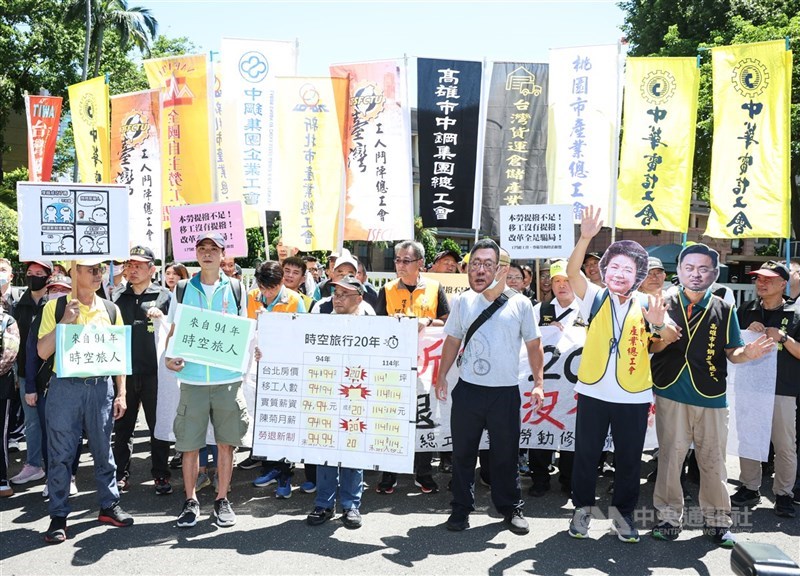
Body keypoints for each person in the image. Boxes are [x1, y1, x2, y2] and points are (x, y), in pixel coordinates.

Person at [649, 244, 774, 547]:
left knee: (713, 461)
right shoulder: (661, 303)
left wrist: (750, 352)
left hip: (711, 395)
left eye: (704, 268)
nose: (696, 273)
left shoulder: (724, 307)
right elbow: (651, 348)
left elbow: (734, 352)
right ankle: (668, 518)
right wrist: (659, 329)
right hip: (672, 390)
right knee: (670, 459)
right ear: (678, 271)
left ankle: (717, 521)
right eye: (689, 267)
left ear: (715, 274)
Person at [565, 206, 670, 544]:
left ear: (638, 273)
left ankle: (623, 517)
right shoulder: (594, 297)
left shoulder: (648, 302)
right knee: (586, 457)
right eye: (615, 267)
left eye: (629, 269)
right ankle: (582, 511)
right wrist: (585, 237)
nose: (621, 274)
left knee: (628, 462)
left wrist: (656, 324)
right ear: (605, 271)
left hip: (634, 395)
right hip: (594, 391)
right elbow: (571, 271)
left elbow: (662, 341)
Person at [433, 238, 544, 534]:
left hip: (504, 393)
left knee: (505, 455)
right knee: (463, 454)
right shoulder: (463, 301)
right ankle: (460, 509)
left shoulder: (520, 304)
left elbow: (534, 346)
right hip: (468, 391)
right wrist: (442, 375)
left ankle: (510, 508)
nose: (479, 270)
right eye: (475, 264)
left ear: (499, 269)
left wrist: (539, 384)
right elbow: (453, 340)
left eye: (487, 264)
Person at [37, 258, 133, 543]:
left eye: (100, 270)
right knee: (61, 455)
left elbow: (119, 356)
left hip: (100, 388)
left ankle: (109, 505)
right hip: (65, 388)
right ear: (74, 272)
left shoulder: (111, 308)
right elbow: (42, 351)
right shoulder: (54, 307)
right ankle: (58, 514)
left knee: (104, 450)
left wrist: (122, 392)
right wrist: (64, 321)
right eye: (91, 269)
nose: (97, 274)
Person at [165, 232, 250, 529]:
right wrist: (167, 356)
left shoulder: (238, 288)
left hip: (227, 378)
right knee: (190, 444)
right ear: (196, 253)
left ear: (223, 253)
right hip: (193, 378)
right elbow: (174, 328)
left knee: (227, 444)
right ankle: (190, 501)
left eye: (213, 248)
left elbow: (244, 331)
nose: (208, 253)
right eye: (202, 248)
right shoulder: (184, 287)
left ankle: (222, 499)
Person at [375, 240, 449, 495]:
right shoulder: (386, 290)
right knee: (392, 420)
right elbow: (377, 327)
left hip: (426, 370)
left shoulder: (435, 288)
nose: (400, 265)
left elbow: (448, 324)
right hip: (394, 369)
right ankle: (389, 473)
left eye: (406, 261)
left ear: (420, 264)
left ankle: (424, 473)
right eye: (397, 260)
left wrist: (428, 321)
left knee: (424, 418)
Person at [732, 261, 799, 518]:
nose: (761, 283)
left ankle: (783, 494)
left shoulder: (796, 313)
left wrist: (783, 337)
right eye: (758, 278)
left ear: (783, 284)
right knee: (748, 439)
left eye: (768, 279)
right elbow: (731, 345)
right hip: (750, 387)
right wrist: (744, 333)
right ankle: (749, 488)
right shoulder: (745, 310)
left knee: (784, 445)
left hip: (782, 389)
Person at [306, 274, 372, 529]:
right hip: (326, 390)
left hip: (356, 391)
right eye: (336, 293)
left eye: (345, 294)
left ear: (360, 297)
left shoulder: (372, 321)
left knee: (353, 450)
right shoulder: (321, 315)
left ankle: (351, 505)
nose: (338, 298)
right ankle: (323, 504)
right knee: (325, 451)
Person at [243, 261, 310, 495]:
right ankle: (270, 467)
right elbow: (243, 331)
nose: (267, 293)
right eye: (263, 288)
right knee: (263, 420)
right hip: (255, 370)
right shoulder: (251, 297)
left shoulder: (294, 300)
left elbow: (301, 336)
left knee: (283, 421)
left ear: (282, 282)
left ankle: (285, 474)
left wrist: (271, 323)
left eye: (272, 288)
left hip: (284, 370)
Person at [111, 246, 173, 496]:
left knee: (158, 427)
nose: (132, 269)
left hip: (155, 373)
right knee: (123, 428)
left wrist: (162, 320)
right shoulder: (116, 297)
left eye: (138, 265)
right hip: (124, 372)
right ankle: (120, 475)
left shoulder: (165, 296)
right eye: (129, 265)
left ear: (152, 269)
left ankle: (160, 474)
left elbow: (174, 332)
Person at [23, 274, 80, 499]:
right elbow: (31, 354)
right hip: (47, 385)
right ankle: (52, 477)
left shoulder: (82, 312)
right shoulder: (42, 315)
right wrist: (30, 387)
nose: (57, 293)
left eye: (63, 289)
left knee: (74, 434)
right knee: (50, 433)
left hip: (75, 383)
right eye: (53, 289)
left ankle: (71, 476)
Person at [528, 260, 581, 497]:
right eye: (557, 281)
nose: (561, 286)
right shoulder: (539, 310)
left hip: (574, 384)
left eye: (566, 280)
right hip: (545, 381)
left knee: (572, 431)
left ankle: (569, 479)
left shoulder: (587, 310)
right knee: (540, 425)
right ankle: (539, 478)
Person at [9, 261, 52, 487]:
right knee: (32, 422)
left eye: (39, 273)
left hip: (53, 375)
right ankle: (34, 464)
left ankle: (56, 470)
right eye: (29, 273)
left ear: (48, 276)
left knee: (53, 423)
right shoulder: (19, 304)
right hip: (27, 372)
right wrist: (18, 374)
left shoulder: (55, 301)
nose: (33, 277)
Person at [0, 303, 21, 497]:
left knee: (0, 434)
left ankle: (1, 479)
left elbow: (9, 355)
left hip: (1, 388)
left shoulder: (7, 321)